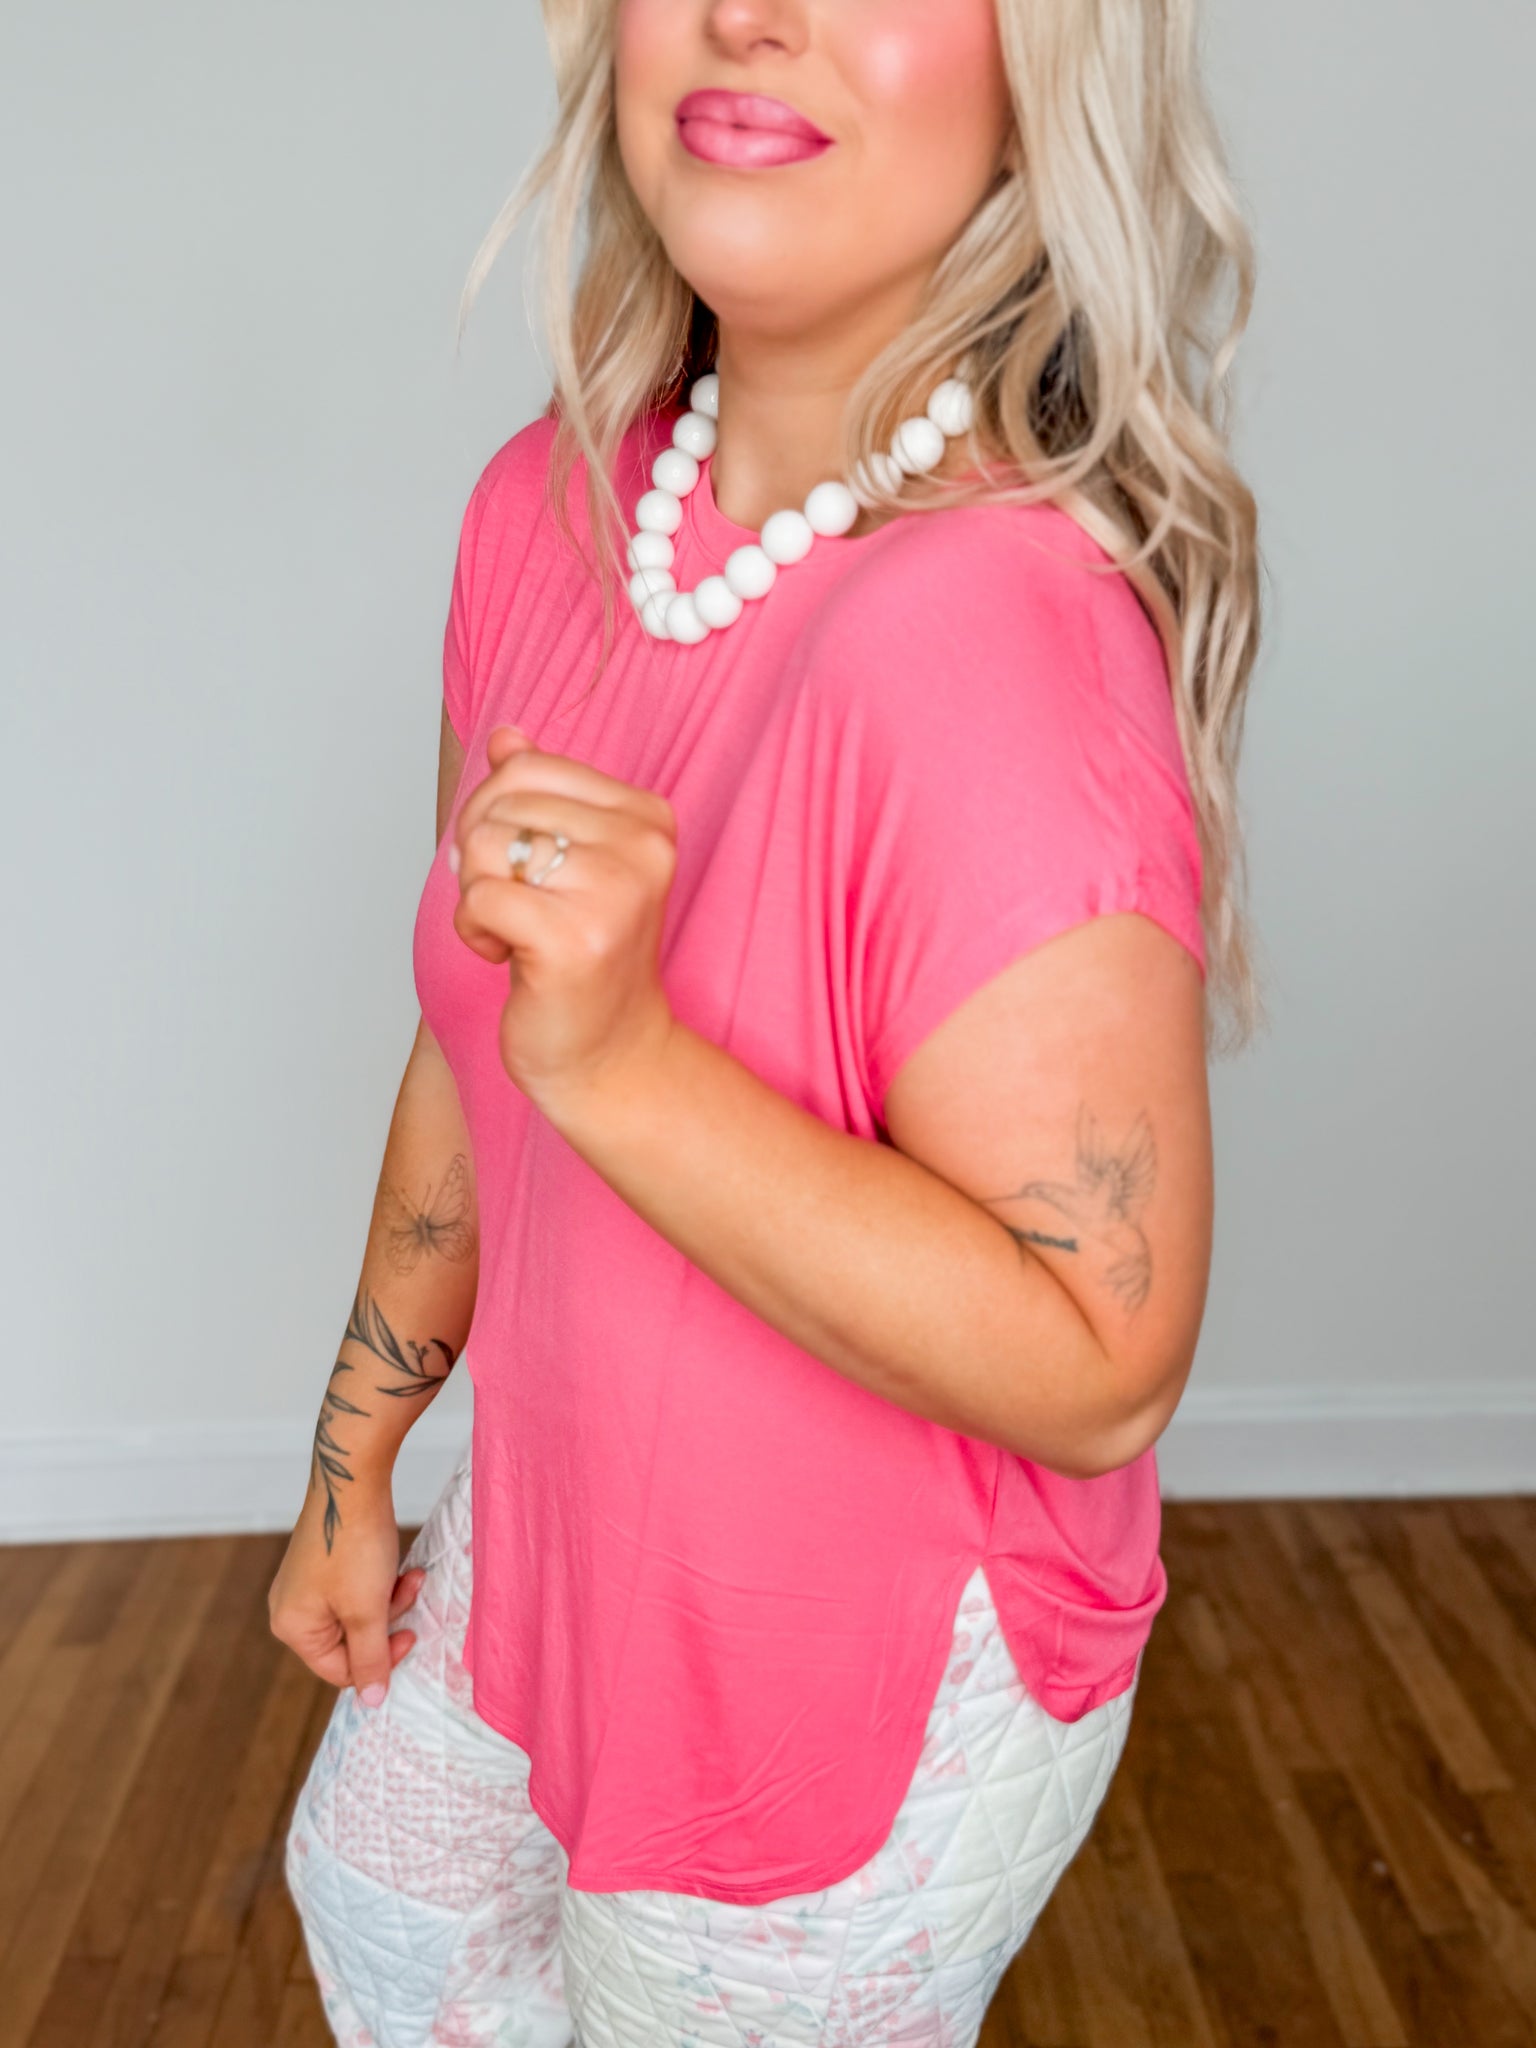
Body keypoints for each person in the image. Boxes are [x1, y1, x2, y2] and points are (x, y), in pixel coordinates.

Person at [268, 0, 1263, 2041]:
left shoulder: (999, 631)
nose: (750, 15)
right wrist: (353, 1457)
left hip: (842, 1668)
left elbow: (1101, 1366)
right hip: (569, 1530)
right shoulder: (550, 507)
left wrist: (627, 1065)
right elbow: (475, 1042)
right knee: (381, 1895)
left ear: (1041, 74)